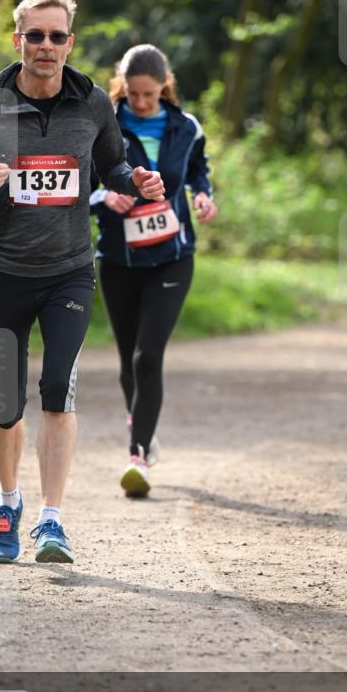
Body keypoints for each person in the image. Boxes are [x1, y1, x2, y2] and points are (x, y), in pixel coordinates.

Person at [0, 0, 165, 564]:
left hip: (69, 272)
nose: (47, 47)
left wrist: (136, 181)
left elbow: (110, 166)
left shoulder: (92, 105)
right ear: (18, 41)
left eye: (57, 37)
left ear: (70, 43)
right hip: (4, 270)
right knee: (7, 401)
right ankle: (8, 503)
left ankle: (52, 521)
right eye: (36, 36)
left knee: (58, 388)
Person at [90, 44, 217, 497]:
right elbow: (79, 182)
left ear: (165, 85)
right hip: (119, 258)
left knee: (148, 357)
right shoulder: (102, 123)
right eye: (134, 94)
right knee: (128, 365)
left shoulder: (187, 126)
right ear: (122, 85)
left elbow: (199, 171)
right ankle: (145, 431)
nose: (141, 103)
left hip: (172, 256)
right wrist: (103, 197)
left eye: (149, 94)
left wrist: (203, 194)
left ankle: (137, 455)